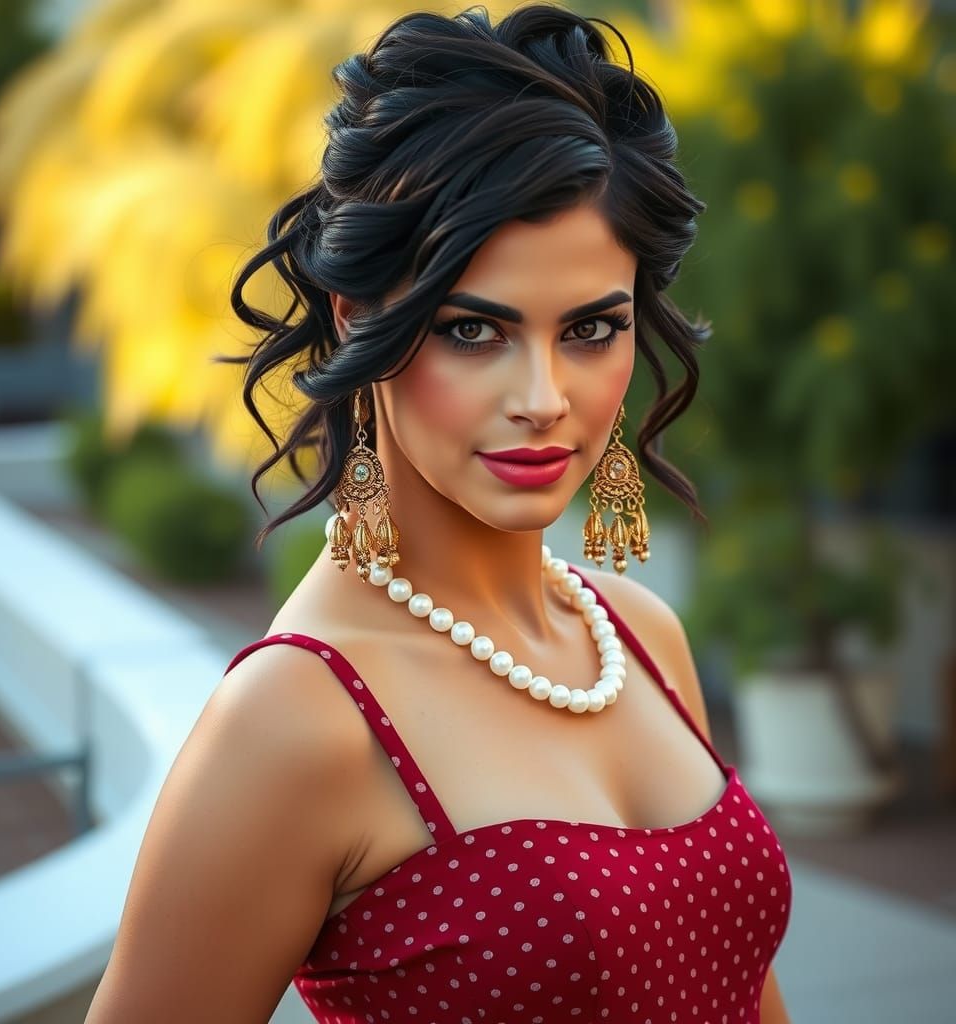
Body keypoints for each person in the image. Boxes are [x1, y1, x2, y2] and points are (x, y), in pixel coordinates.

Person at [85, 4, 792, 1022]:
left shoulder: (639, 636)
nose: (544, 395)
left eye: (593, 326)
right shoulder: (297, 720)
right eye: (473, 329)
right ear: (355, 315)